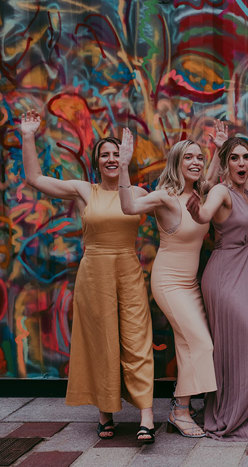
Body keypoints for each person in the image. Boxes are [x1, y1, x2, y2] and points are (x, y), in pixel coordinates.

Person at [19, 111, 155, 443]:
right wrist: (27, 136)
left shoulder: (136, 191)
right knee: (101, 341)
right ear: (96, 162)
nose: (111, 159)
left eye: (116, 154)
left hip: (129, 270)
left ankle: (147, 416)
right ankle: (104, 414)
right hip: (94, 274)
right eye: (104, 155)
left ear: (124, 158)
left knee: (137, 339)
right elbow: (36, 179)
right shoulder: (85, 189)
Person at [186, 91, 248, 441]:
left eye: (246, 158)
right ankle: (229, 412)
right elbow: (206, 213)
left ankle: (241, 410)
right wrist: (197, 210)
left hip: (245, 279)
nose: (243, 164)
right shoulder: (221, 192)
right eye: (236, 159)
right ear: (226, 164)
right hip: (224, 278)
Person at [118, 133, 216, 438]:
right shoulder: (164, 197)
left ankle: (182, 407)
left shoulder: (202, 193)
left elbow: (207, 180)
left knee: (189, 344)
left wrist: (217, 150)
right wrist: (123, 166)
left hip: (192, 285)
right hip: (169, 283)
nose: (196, 162)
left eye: (200, 157)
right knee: (202, 343)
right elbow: (128, 208)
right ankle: (179, 410)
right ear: (176, 162)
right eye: (188, 157)